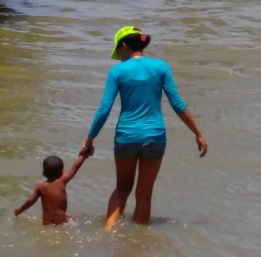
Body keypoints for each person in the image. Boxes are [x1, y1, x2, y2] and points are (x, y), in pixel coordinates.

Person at [81, 26, 207, 230]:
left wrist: (89, 140)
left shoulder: (117, 72)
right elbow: (177, 104)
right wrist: (198, 133)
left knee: (122, 189)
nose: (119, 57)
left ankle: (108, 233)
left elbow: (105, 108)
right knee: (144, 193)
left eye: (118, 51)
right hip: (155, 137)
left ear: (124, 46)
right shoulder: (161, 67)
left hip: (126, 136)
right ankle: (139, 241)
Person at [14, 149, 93, 225]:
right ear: (62, 172)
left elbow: (30, 201)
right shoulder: (62, 181)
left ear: (43, 173)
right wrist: (84, 155)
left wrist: (19, 210)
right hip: (61, 222)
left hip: (47, 223)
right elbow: (76, 166)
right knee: (72, 219)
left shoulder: (40, 187)